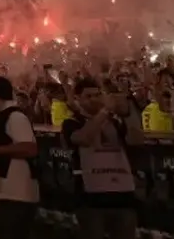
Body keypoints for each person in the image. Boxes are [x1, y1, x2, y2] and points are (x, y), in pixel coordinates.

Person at [61, 78, 142, 239]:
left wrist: (128, 113)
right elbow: (83, 138)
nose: (94, 99)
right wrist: (104, 112)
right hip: (91, 198)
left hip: (122, 195)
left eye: (98, 95)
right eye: (88, 96)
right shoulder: (72, 122)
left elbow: (137, 140)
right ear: (78, 99)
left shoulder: (116, 122)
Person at [0, 76, 38, 239]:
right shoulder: (1, 116)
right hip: (4, 191)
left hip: (17, 192)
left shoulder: (16, 117)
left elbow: (30, 149)